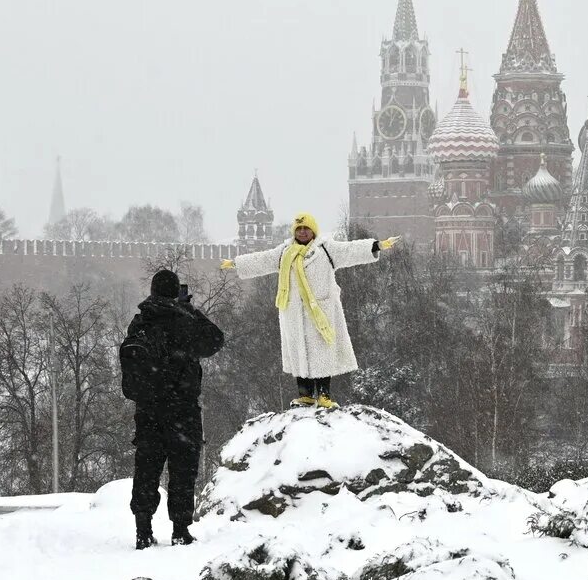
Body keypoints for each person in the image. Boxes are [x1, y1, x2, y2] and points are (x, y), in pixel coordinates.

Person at [220, 213, 398, 408]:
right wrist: (237, 263)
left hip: (321, 311)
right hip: (293, 312)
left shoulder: (326, 249)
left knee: (322, 352)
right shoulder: (285, 252)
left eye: (306, 228)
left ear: (313, 230)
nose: (302, 232)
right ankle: (305, 395)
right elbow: (263, 259)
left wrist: (377, 245)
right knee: (299, 352)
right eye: (299, 229)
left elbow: (349, 250)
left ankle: (324, 395)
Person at [120, 269, 224, 550]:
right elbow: (215, 339)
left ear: (152, 291)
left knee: (147, 468)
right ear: (176, 291)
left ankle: (143, 530)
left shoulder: (141, 321)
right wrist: (189, 308)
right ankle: (180, 530)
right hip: (182, 408)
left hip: (148, 410)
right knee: (182, 470)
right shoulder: (186, 320)